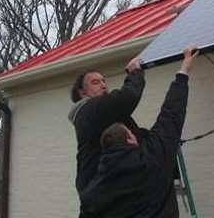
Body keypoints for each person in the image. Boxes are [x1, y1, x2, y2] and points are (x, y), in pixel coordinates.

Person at [80, 46, 199, 218]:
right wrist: (184, 70)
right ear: (130, 139)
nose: (103, 85)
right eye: (95, 82)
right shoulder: (153, 159)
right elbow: (170, 116)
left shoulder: (92, 194)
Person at [68, 56, 147, 216]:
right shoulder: (89, 109)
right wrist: (135, 72)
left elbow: (132, 134)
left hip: (106, 195)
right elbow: (127, 98)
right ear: (83, 94)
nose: (103, 85)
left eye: (103, 81)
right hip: (101, 199)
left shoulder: (103, 114)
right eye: (95, 82)